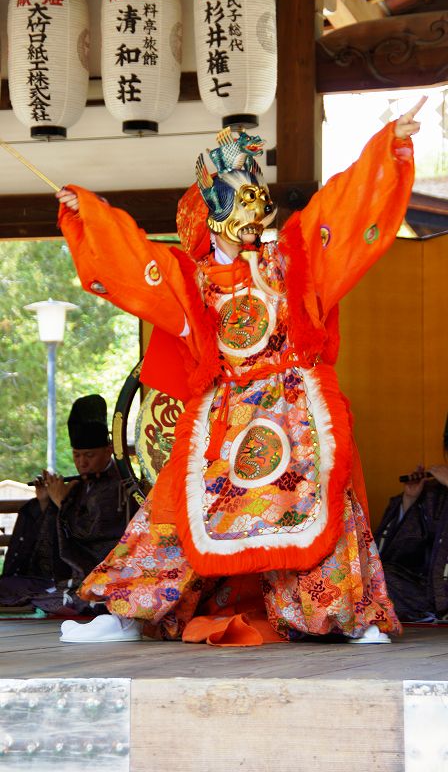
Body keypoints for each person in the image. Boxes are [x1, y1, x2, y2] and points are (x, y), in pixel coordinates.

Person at [55, 98, 426, 645]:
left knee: (320, 500)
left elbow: (341, 216)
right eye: (236, 185)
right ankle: (131, 612)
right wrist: (89, 214)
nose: (252, 198)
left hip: (294, 407)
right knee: (176, 509)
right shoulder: (192, 280)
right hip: (223, 414)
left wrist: (386, 150)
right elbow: (135, 266)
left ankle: (343, 615)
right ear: (211, 204)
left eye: (255, 184)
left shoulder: (291, 260)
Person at [0, 394, 135, 616]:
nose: (81, 462)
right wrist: (46, 502)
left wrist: (61, 501)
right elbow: (59, 528)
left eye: (89, 455)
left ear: (108, 451)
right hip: (65, 573)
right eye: (77, 455)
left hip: (99, 572)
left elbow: (92, 532)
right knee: (9, 585)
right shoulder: (81, 484)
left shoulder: (120, 485)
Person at [375, 431, 448, 623]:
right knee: (379, 575)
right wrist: (410, 500)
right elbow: (397, 552)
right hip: (432, 590)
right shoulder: (434, 492)